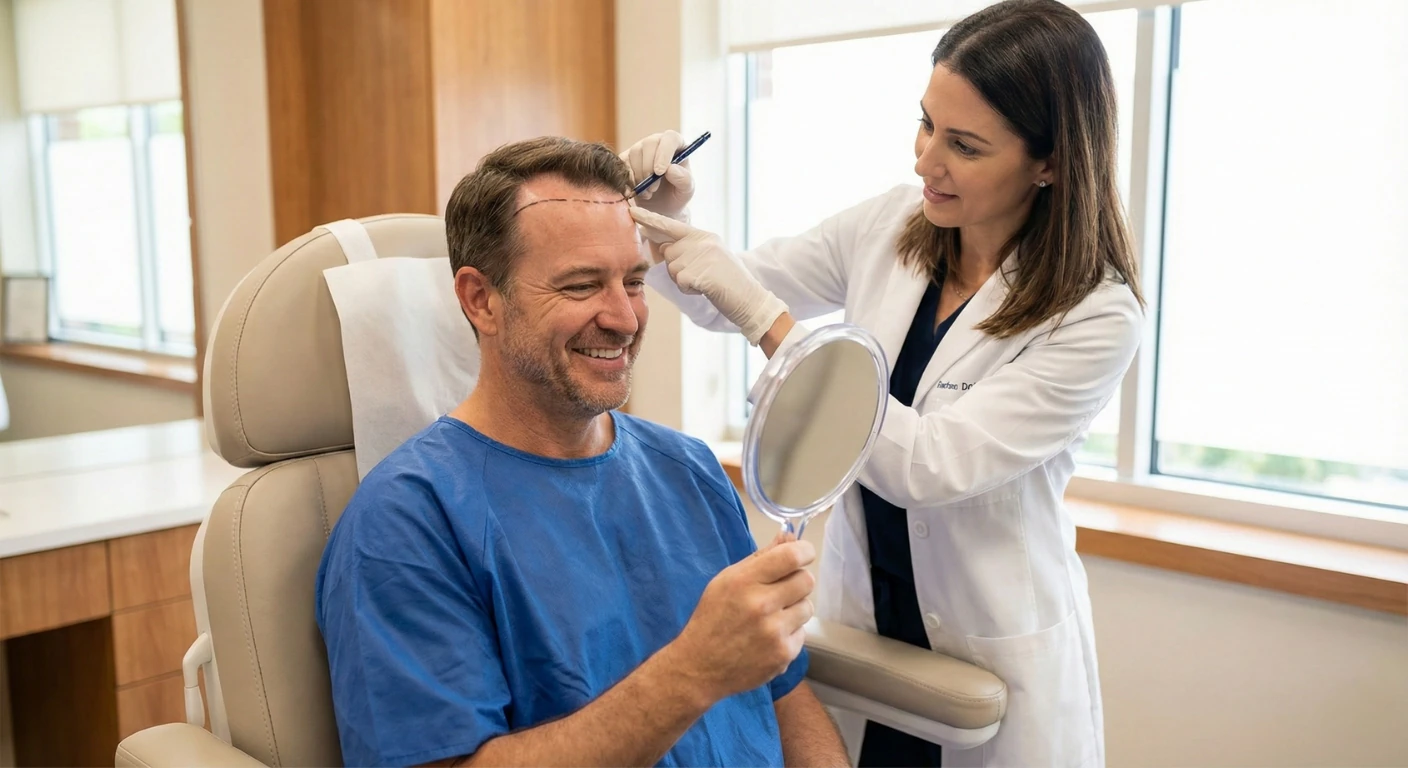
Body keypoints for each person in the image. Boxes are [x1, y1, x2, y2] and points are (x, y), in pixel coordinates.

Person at [623, 1, 1145, 765]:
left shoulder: (1095, 315)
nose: (924, 161)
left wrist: (766, 321)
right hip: (866, 637)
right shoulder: (891, 226)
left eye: (963, 145)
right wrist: (660, 218)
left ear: (1052, 163)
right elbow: (731, 291)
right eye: (926, 123)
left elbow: (926, 466)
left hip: (992, 665)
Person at [314, 137, 849, 767]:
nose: (624, 318)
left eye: (634, 280)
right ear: (481, 300)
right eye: (580, 286)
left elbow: (784, 695)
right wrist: (692, 671)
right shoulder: (408, 521)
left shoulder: (690, 471)